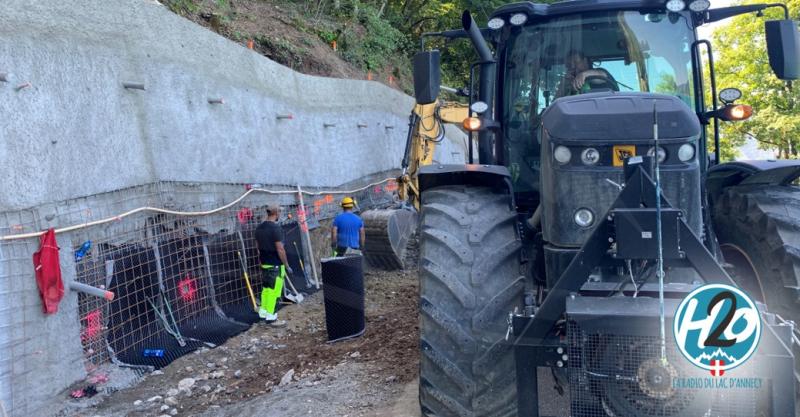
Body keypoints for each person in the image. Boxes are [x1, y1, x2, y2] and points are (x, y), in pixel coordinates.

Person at [254, 205, 293, 326]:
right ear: (276, 213)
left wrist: (261, 261)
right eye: (280, 212)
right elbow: (280, 249)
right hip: (275, 265)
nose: (280, 214)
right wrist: (286, 265)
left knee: (266, 290)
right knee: (274, 292)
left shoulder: (259, 228)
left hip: (265, 264)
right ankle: (272, 318)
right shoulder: (276, 229)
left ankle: (263, 313)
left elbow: (258, 248)